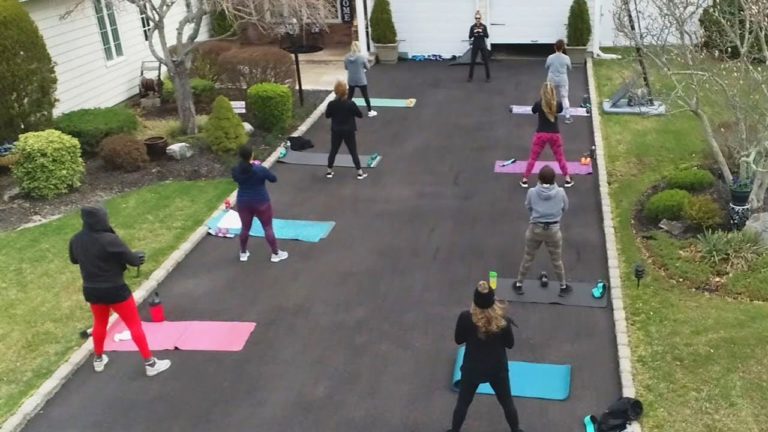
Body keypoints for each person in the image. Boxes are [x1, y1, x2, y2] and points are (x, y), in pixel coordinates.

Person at [69, 205, 171, 377]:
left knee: (99, 324)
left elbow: (74, 260)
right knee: (134, 325)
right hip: (116, 289)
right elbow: (132, 261)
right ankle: (150, 363)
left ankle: (99, 359)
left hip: (92, 289)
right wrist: (138, 257)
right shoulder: (109, 239)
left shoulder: (76, 240)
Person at [448, 281, 524, 432]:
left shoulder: (465, 317)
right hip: (497, 369)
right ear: (493, 301)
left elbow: (459, 340)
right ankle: (516, 430)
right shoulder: (502, 321)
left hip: (473, 368)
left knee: (463, 404)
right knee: (507, 403)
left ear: (475, 301)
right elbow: (510, 344)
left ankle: (454, 430)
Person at [513, 165, 571, 297]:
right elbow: (565, 207)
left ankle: (519, 284)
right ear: (554, 179)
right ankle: (562, 285)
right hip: (553, 230)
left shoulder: (532, 192)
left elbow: (528, 206)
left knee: (528, 257)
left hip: (535, 229)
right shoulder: (561, 192)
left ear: (539, 178)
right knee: (556, 260)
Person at [231, 145, 288, 263]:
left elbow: (238, 177)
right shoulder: (259, 169)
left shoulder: (236, 170)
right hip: (261, 201)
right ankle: (275, 253)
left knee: (245, 228)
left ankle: (243, 252)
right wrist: (258, 166)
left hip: (243, 202)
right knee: (267, 227)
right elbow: (273, 179)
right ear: (251, 155)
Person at [520, 82, 574, 188]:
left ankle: (525, 179)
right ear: (553, 92)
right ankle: (567, 179)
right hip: (555, 134)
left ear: (542, 92)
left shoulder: (538, 103)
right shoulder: (557, 104)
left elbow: (533, 111)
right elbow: (560, 109)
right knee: (560, 158)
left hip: (541, 134)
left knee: (533, 158)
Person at [325, 80, 368, 180]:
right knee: (353, 151)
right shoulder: (350, 104)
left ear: (335, 91)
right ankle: (360, 172)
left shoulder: (332, 104)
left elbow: (327, 115)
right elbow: (360, 115)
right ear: (346, 91)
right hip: (349, 130)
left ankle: (329, 171)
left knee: (334, 150)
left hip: (336, 130)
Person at [345, 41, 377, 118]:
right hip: (361, 79)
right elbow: (367, 67)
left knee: (350, 95)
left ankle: (346, 110)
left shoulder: (346, 57)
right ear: (358, 48)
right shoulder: (362, 57)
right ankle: (370, 111)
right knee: (365, 95)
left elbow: (346, 68)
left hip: (351, 79)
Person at [545, 39, 573, 124]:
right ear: (563, 47)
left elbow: (546, 66)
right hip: (563, 80)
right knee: (564, 98)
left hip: (551, 79)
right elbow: (570, 68)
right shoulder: (566, 58)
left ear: (555, 47)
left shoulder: (550, 57)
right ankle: (567, 117)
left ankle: (550, 115)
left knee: (550, 97)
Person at [467, 11, 491, 82]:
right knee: (472, 61)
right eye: (476, 18)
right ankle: (470, 77)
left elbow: (487, 36)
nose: (478, 19)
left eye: (479, 18)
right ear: (475, 18)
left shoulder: (484, 26)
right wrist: (475, 33)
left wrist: (481, 32)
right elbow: (470, 36)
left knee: (486, 61)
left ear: (481, 18)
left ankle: (488, 77)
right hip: (475, 45)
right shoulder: (472, 27)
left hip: (482, 44)